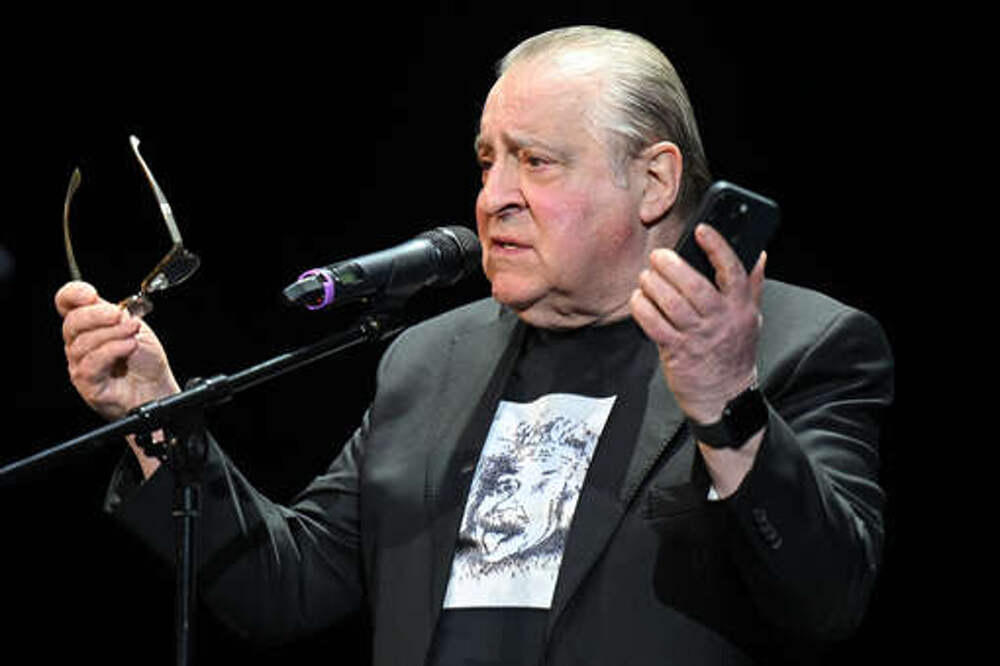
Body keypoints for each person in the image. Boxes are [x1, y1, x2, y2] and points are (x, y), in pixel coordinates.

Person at [55, 26, 893, 665]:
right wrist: (153, 414)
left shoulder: (802, 346)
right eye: (488, 162)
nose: (494, 197)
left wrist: (727, 406)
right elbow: (285, 588)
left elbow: (825, 599)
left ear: (654, 181)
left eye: (536, 162)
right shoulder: (429, 362)